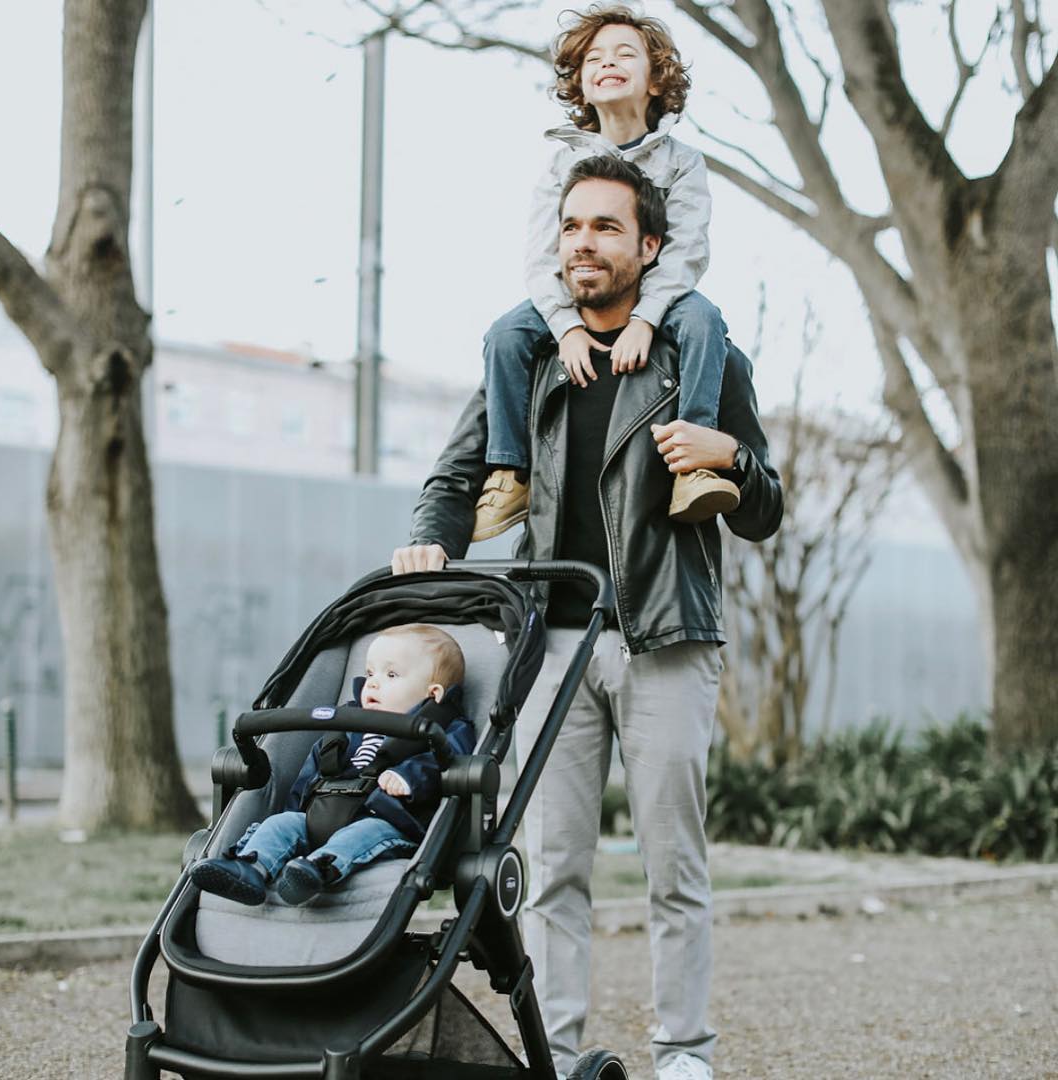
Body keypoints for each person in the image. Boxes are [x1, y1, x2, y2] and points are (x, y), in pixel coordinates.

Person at [392, 156, 783, 1080]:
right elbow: (457, 479)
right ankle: (556, 1055)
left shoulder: (706, 356)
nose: (584, 244)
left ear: (651, 248)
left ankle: (684, 1054)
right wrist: (428, 541)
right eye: (572, 227)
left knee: (672, 869)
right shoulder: (528, 358)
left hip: (666, 639)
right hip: (549, 647)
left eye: (607, 228)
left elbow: (764, 506)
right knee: (554, 866)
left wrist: (724, 454)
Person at [474, 3, 740, 543]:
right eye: (593, 57)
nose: (607, 63)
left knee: (705, 322)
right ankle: (509, 471)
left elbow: (686, 249)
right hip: (579, 298)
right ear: (581, 83)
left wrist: (645, 319)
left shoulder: (682, 162)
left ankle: (694, 465)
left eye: (624, 54)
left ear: (655, 77)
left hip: (660, 293)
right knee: (504, 334)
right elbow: (542, 254)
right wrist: (566, 325)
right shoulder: (561, 162)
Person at [190, 625, 474, 907]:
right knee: (281, 823)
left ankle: (318, 869)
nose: (373, 683)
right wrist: (297, 812)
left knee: (363, 834)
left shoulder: (447, 728)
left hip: (389, 823)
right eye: (370, 673)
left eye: (391, 675)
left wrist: (409, 777)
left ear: (433, 692)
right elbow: (309, 776)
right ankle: (251, 868)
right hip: (320, 815)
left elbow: (450, 761)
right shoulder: (346, 726)